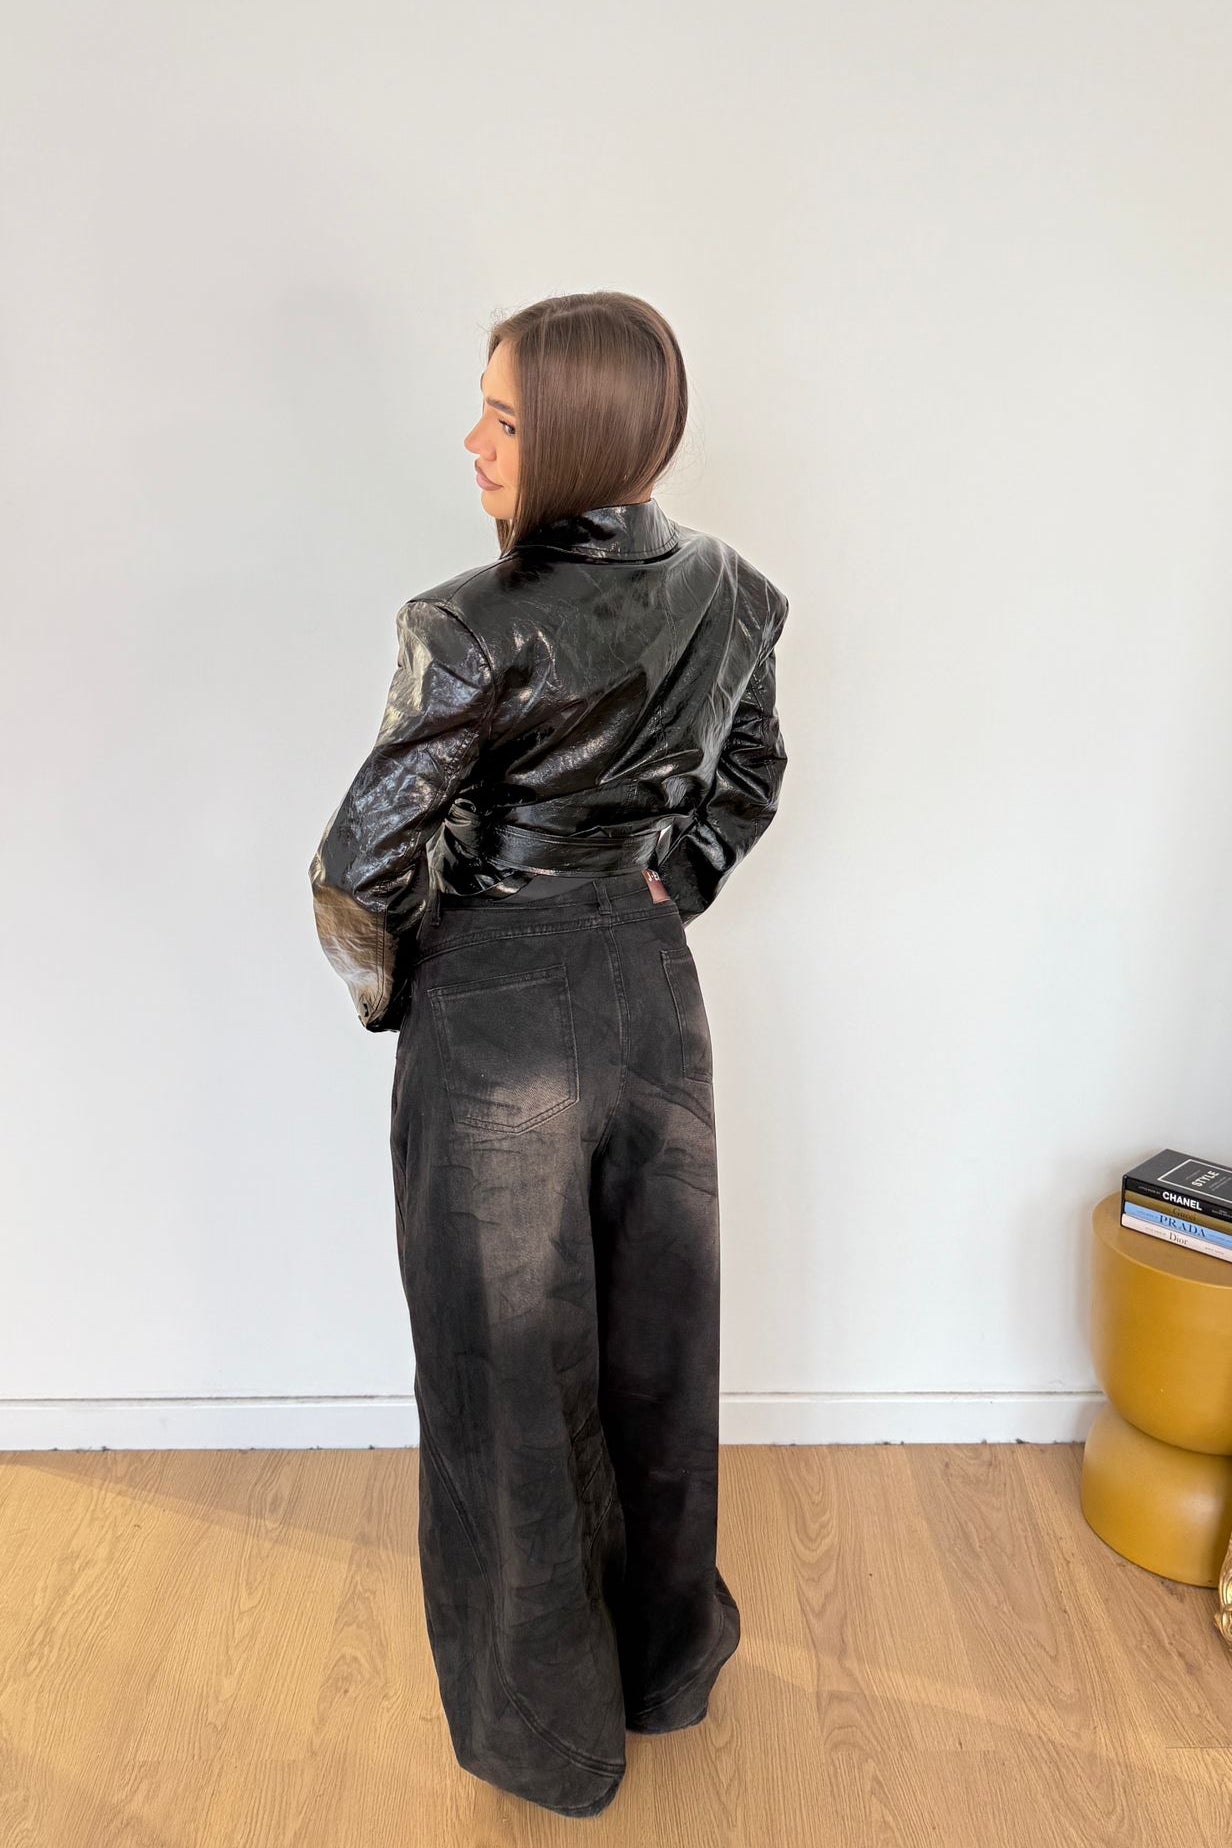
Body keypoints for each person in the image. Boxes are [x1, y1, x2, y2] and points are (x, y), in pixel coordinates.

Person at [308, 291, 789, 1819]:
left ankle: (547, 1741)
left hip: (499, 1019)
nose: (474, 443)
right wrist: (675, 880)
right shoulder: (737, 594)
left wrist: (406, 994)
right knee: (659, 1351)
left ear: (577, 436)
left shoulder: (468, 626)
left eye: (504, 418)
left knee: (505, 1380)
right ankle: (665, 1670)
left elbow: (357, 870)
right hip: (653, 1005)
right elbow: (752, 773)